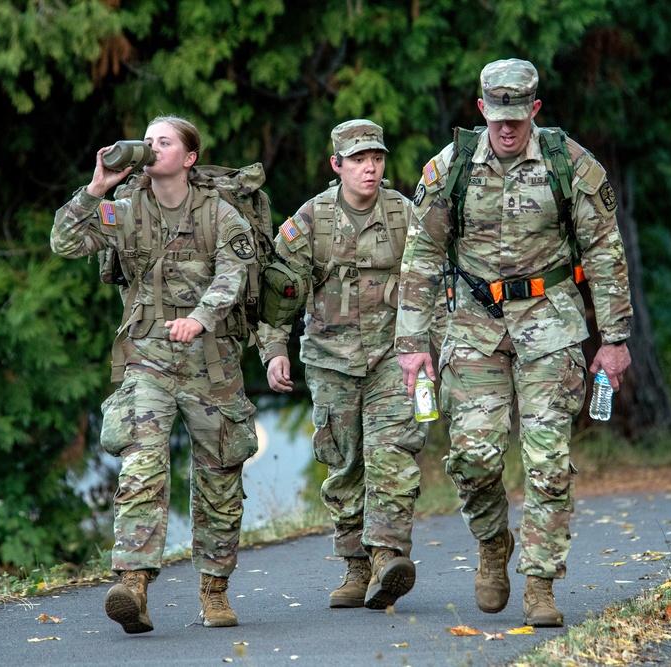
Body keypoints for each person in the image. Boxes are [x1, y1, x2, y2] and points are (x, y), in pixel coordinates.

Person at [395, 59, 633, 627]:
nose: (507, 129)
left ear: (535, 109)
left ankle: (542, 582)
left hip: (550, 322)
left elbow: (605, 253)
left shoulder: (569, 166)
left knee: (548, 461)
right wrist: (411, 342)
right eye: (497, 116)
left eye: (518, 116)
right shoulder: (449, 168)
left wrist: (616, 339)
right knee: (473, 458)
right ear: (481, 110)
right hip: (474, 325)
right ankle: (492, 543)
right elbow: (422, 255)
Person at [51, 115, 259, 633]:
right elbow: (65, 241)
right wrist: (96, 186)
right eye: (147, 141)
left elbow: (235, 274)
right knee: (142, 463)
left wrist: (200, 318)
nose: (150, 148)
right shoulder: (124, 211)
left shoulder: (221, 214)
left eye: (163, 142)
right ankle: (133, 584)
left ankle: (214, 590)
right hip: (147, 358)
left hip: (212, 363)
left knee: (220, 475)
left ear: (188, 158)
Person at [258, 119, 427, 610]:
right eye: (358, 160)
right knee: (344, 463)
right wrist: (274, 351)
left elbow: (431, 281)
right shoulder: (310, 221)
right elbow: (278, 293)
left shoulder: (405, 216)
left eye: (375, 158)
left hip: (394, 359)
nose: (369, 168)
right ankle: (356, 566)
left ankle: (388, 557)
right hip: (331, 363)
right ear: (337, 165)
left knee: (392, 453)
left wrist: (433, 346)